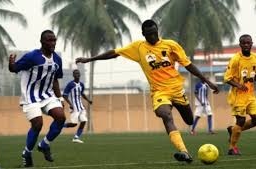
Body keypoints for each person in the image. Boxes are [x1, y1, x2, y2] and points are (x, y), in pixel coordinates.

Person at [75, 19, 219, 163]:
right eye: (149, 34)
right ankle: (184, 151)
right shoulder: (138, 47)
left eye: (154, 33)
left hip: (177, 90)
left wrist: (206, 81)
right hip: (159, 92)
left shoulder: (171, 45)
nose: (152, 37)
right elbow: (114, 52)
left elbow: (188, 65)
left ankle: (180, 117)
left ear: (158, 31)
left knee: (189, 120)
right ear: (143, 34)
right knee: (165, 115)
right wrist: (89, 59)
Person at [9, 30, 66, 167]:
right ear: (42, 41)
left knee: (61, 118)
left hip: (47, 96)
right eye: (49, 40)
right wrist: (11, 63)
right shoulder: (32, 57)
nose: (53, 43)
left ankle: (44, 145)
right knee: (38, 124)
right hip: (30, 96)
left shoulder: (57, 59)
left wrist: (60, 98)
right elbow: (14, 69)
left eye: (54, 40)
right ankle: (27, 153)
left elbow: (55, 80)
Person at [224, 34, 256, 155]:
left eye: (248, 43)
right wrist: (238, 85)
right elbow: (227, 78)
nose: (246, 45)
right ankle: (232, 148)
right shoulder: (236, 59)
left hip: (250, 95)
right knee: (241, 120)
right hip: (238, 96)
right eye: (244, 43)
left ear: (252, 44)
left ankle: (233, 130)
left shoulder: (255, 58)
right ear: (240, 45)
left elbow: (253, 73)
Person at [63, 69, 92, 143]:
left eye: (78, 73)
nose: (77, 74)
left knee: (84, 121)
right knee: (74, 124)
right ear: (73, 75)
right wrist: (70, 104)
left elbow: (82, 93)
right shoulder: (70, 84)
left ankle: (76, 137)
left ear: (80, 75)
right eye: (75, 73)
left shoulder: (81, 84)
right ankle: (61, 125)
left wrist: (88, 100)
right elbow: (64, 95)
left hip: (81, 107)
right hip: (74, 107)